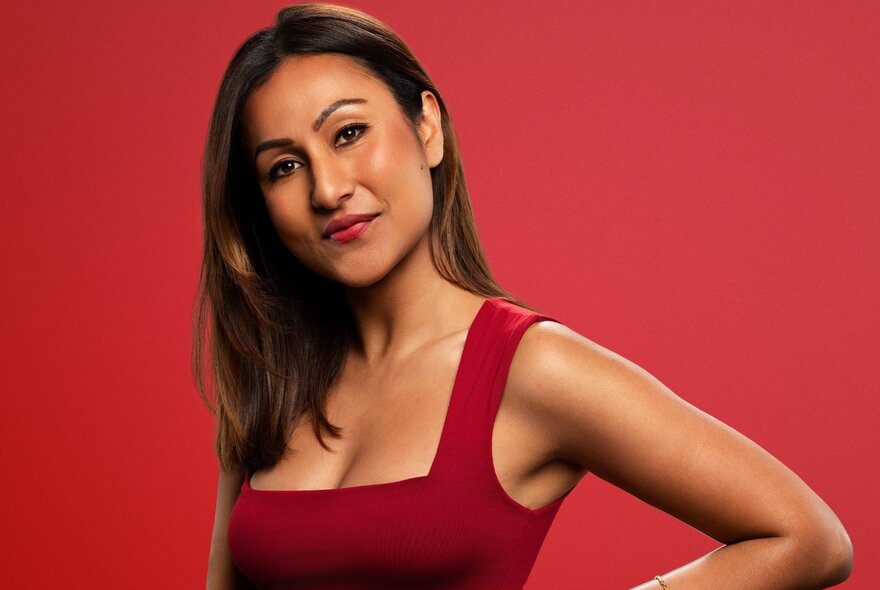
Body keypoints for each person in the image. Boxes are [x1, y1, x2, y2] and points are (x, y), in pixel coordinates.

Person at [193, 4, 853, 589]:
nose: (328, 189)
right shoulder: (271, 376)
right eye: (284, 166)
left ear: (427, 127)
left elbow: (807, 538)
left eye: (348, 133)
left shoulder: (529, 369)